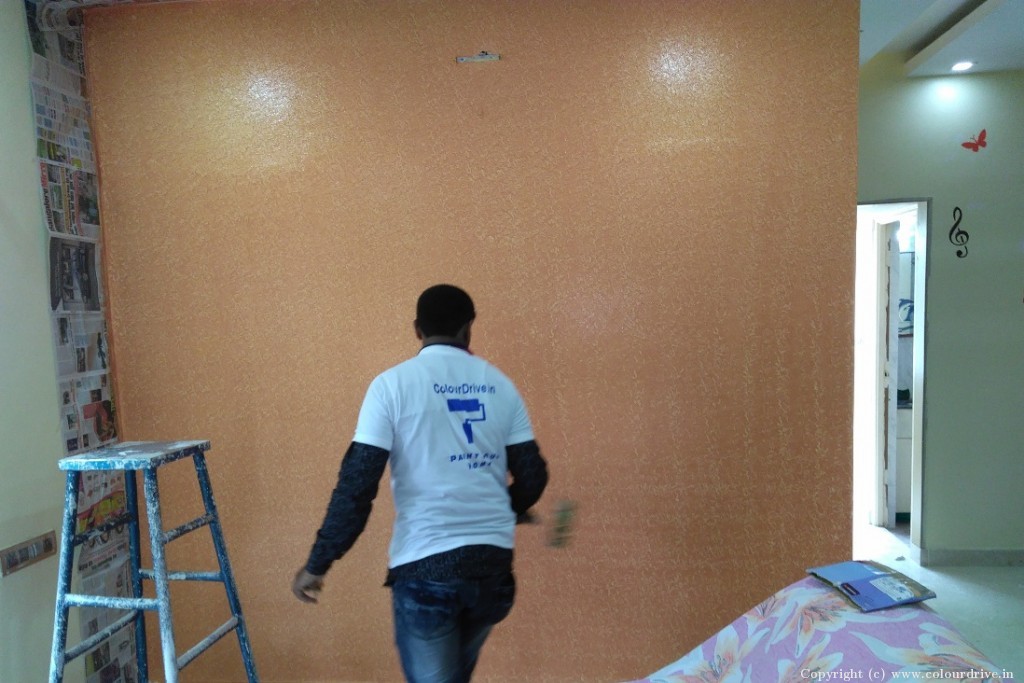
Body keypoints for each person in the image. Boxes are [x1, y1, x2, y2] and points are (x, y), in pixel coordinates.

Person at [292, 284, 549, 683]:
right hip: (492, 573)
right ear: (468, 329)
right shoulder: (501, 386)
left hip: (426, 575)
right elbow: (533, 475)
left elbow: (356, 487)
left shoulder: (390, 387)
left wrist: (318, 563)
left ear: (417, 329)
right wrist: (509, 507)